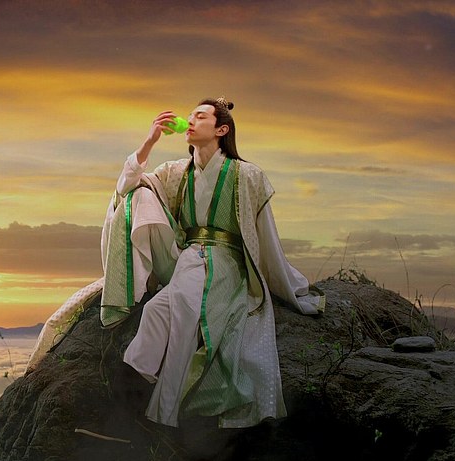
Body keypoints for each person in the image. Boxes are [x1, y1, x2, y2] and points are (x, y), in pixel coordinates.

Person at [27, 96, 324, 430]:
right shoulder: (175, 172)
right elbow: (126, 186)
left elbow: (265, 235)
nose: (190, 121)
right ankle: (137, 381)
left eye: (201, 116)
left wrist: (281, 282)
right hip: (185, 257)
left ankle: (161, 411)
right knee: (142, 215)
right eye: (190, 116)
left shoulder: (246, 175)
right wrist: (150, 141)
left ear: (221, 130)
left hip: (225, 261)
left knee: (174, 307)